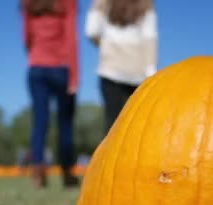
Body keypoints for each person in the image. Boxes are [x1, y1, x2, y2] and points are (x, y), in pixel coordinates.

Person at [21, 0, 80, 188]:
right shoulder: (67, 2)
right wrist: (74, 76)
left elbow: (26, 38)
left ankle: (38, 174)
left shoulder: (28, 3)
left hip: (36, 67)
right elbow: (71, 37)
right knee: (65, 124)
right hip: (61, 68)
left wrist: (37, 54)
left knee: (39, 122)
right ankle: (67, 173)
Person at [85, 0, 158, 133]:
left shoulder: (104, 2)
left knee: (112, 125)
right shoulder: (146, 4)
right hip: (137, 73)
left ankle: (108, 154)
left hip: (110, 70)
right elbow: (150, 39)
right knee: (135, 126)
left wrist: (104, 46)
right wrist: (151, 71)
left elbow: (91, 31)